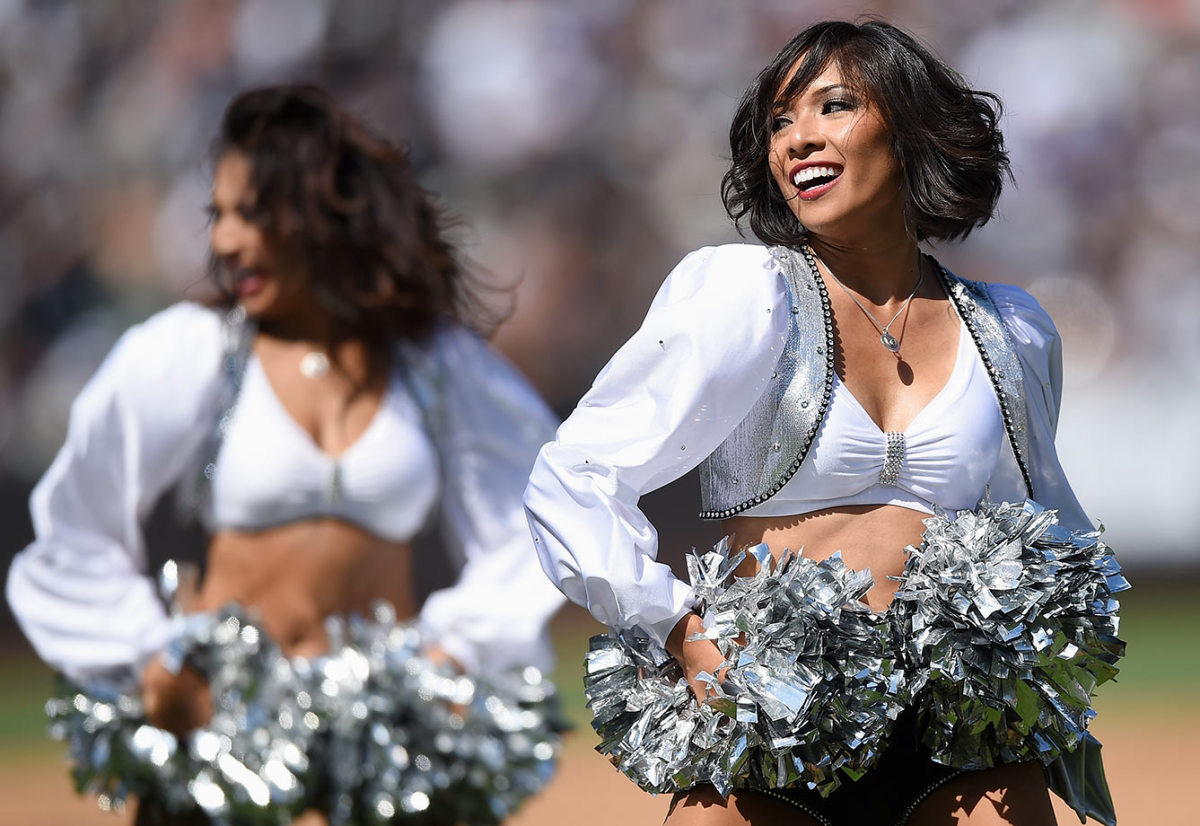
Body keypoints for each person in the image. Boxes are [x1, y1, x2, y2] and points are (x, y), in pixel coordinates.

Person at [525, 19, 1122, 826]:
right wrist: (682, 633)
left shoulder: (1011, 330)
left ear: (911, 131)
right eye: (778, 122)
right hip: (769, 715)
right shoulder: (743, 298)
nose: (798, 137)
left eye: (833, 107)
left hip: (958, 736)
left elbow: (1047, 523)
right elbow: (575, 476)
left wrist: (1046, 670)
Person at [7, 84, 565, 825]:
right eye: (220, 216)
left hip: (383, 731)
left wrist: (457, 648)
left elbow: (541, 512)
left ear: (324, 214)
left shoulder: (432, 364)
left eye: (254, 214)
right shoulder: (193, 351)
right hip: (222, 722)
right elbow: (76, 516)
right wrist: (150, 658)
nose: (227, 241)